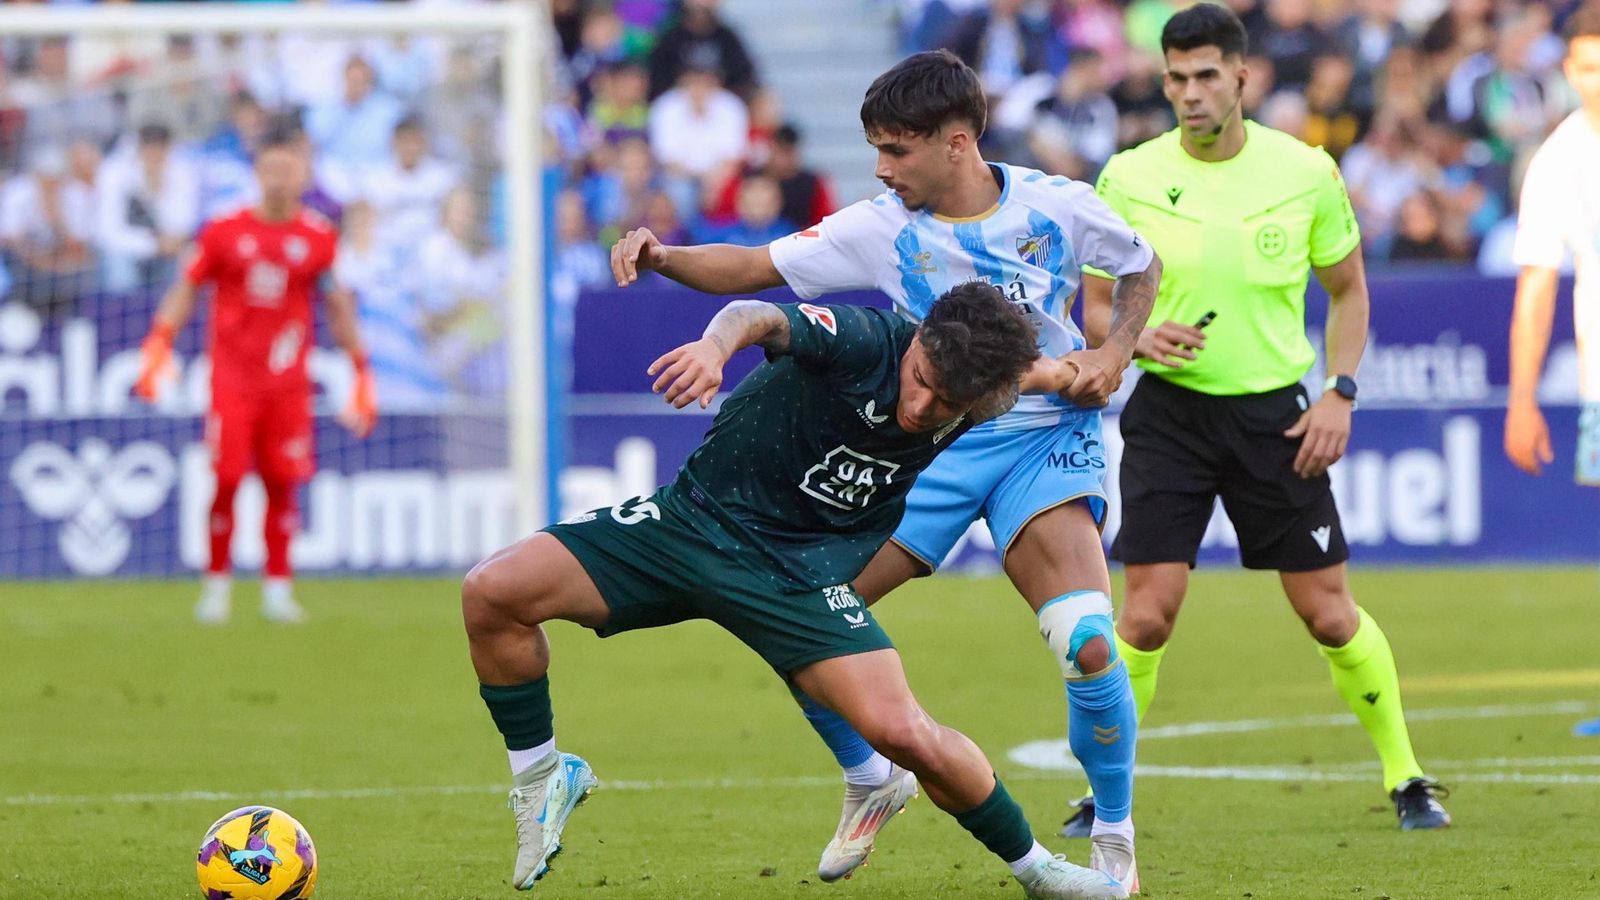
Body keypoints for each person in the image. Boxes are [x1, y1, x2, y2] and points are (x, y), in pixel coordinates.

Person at [611, 49, 1161, 889]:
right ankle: (872, 776)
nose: (881, 167)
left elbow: (1138, 263)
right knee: (802, 616)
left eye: (897, 149)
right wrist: (663, 258)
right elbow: (759, 267)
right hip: (925, 445)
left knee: (1086, 641)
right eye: (877, 149)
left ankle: (1115, 841)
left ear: (957, 142)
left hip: (1041, 437)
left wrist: (1115, 348)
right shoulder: (879, 227)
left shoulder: (1057, 205)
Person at [463, 284, 1128, 899]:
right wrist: (714, 347)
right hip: (689, 524)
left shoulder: (991, 389)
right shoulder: (865, 341)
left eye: (947, 404)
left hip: (798, 572)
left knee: (907, 732)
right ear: (919, 340)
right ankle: (542, 775)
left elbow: (1046, 373)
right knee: (493, 593)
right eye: (921, 380)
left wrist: (1100, 361)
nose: (923, 406)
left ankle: (1036, 869)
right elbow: (759, 315)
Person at [1072, 2, 1451, 833]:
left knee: (1327, 612)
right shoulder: (1127, 176)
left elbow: (1350, 292)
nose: (1190, 93)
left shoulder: (1306, 172)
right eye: (1176, 78)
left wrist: (1340, 393)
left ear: (1243, 76)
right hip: (1168, 417)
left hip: (1278, 418)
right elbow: (1095, 308)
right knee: (1144, 612)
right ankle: (1107, 794)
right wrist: (1133, 338)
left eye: (1207, 75)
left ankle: (1407, 775)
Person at [133, 128, 377, 624]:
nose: (279, 181)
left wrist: (360, 368)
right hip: (232, 380)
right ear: (256, 174)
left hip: (287, 385)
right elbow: (188, 285)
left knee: (282, 483)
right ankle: (217, 585)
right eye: (270, 171)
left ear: (302, 175)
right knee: (225, 478)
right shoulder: (224, 231)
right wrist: (159, 339)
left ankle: (278, 589)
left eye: (287, 171)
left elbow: (336, 303)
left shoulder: (316, 238)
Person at [1501, 5, 1600, 739]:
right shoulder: (1560, 161)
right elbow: (1536, 285)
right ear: (1568, 70)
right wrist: (1522, 400)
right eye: (1585, 66)